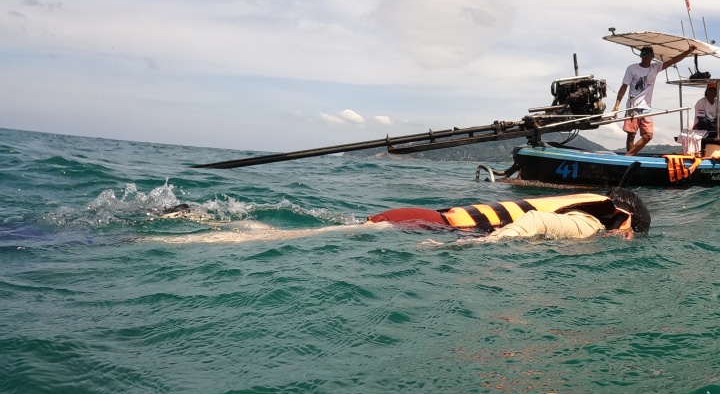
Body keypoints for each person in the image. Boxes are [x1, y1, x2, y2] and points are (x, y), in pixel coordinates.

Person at [150, 188, 651, 243]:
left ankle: (198, 220)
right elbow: (536, 224)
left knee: (313, 231)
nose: (628, 239)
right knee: (278, 241)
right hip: (428, 225)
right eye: (634, 231)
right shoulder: (590, 221)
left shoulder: (586, 202)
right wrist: (487, 246)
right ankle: (176, 237)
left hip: (423, 214)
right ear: (624, 217)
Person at [612, 44, 696, 155]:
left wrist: (688, 51)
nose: (646, 56)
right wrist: (616, 106)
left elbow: (674, 60)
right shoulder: (632, 68)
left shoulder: (655, 68)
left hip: (646, 107)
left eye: (649, 54)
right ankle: (629, 161)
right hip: (633, 106)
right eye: (644, 53)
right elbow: (624, 87)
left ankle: (627, 157)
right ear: (641, 55)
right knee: (631, 135)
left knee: (648, 136)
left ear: (652, 56)